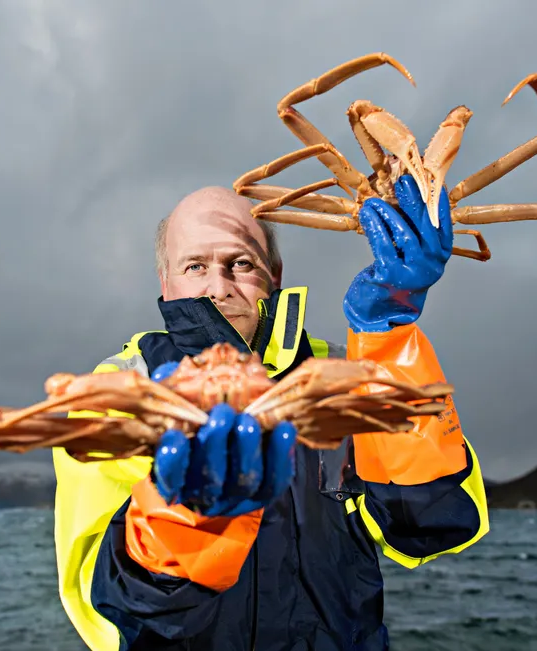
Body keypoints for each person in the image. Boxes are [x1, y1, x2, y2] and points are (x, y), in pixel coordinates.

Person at [51, 175, 489, 650]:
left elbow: (429, 525)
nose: (218, 286)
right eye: (194, 265)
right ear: (166, 281)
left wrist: (390, 338)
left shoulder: (346, 374)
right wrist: (186, 518)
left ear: (274, 273)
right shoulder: (119, 389)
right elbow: (104, 600)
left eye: (239, 263)